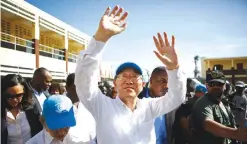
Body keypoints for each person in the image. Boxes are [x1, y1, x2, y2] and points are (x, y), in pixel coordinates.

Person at [75, 5, 186, 144]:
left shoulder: (149, 107)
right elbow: (84, 82)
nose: (129, 80)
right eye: (123, 76)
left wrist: (174, 68)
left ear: (143, 84)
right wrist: (100, 39)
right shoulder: (101, 105)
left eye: (134, 77)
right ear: (115, 83)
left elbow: (176, 98)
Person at [190, 71, 247, 144]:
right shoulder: (203, 102)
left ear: (225, 86)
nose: (215, 87)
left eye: (219, 84)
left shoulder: (225, 103)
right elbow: (208, 124)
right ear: (206, 85)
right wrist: (236, 133)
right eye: (212, 84)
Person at [1, 74, 43, 144]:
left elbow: (39, 130)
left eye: (19, 95)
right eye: (9, 96)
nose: (14, 100)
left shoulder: (31, 107)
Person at [65, 73, 96, 143]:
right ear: (67, 87)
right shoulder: (59, 106)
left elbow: (92, 131)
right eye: (75, 88)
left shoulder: (87, 105)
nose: (79, 91)